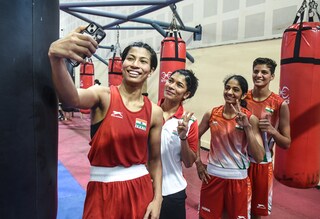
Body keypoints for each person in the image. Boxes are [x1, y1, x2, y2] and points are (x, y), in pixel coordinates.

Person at [48, 26, 163, 219]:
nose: (135, 65)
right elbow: (72, 99)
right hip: (102, 190)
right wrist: (55, 59)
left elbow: (155, 160)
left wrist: (158, 198)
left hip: (140, 188)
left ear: (150, 71)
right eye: (131, 58)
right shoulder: (104, 95)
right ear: (122, 63)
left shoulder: (155, 112)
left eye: (143, 61)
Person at [195, 75, 265, 219]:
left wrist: (247, 127)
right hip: (212, 177)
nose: (230, 92)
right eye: (227, 88)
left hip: (238, 179)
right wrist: (198, 163)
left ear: (244, 94)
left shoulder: (250, 119)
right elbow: (195, 136)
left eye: (235, 89)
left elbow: (259, 157)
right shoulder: (212, 114)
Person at [246, 58, 291, 219]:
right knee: (238, 209)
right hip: (240, 162)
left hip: (262, 166)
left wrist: (273, 131)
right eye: (256, 71)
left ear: (272, 76)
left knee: (257, 213)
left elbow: (286, 143)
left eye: (264, 72)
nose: (259, 75)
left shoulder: (279, 104)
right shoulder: (242, 98)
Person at [158, 69, 199, 219]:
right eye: (170, 80)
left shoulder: (190, 122)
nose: (171, 86)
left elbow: (188, 163)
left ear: (186, 94)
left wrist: (183, 138)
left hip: (172, 191)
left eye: (179, 85)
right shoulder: (148, 111)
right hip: (144, 187)